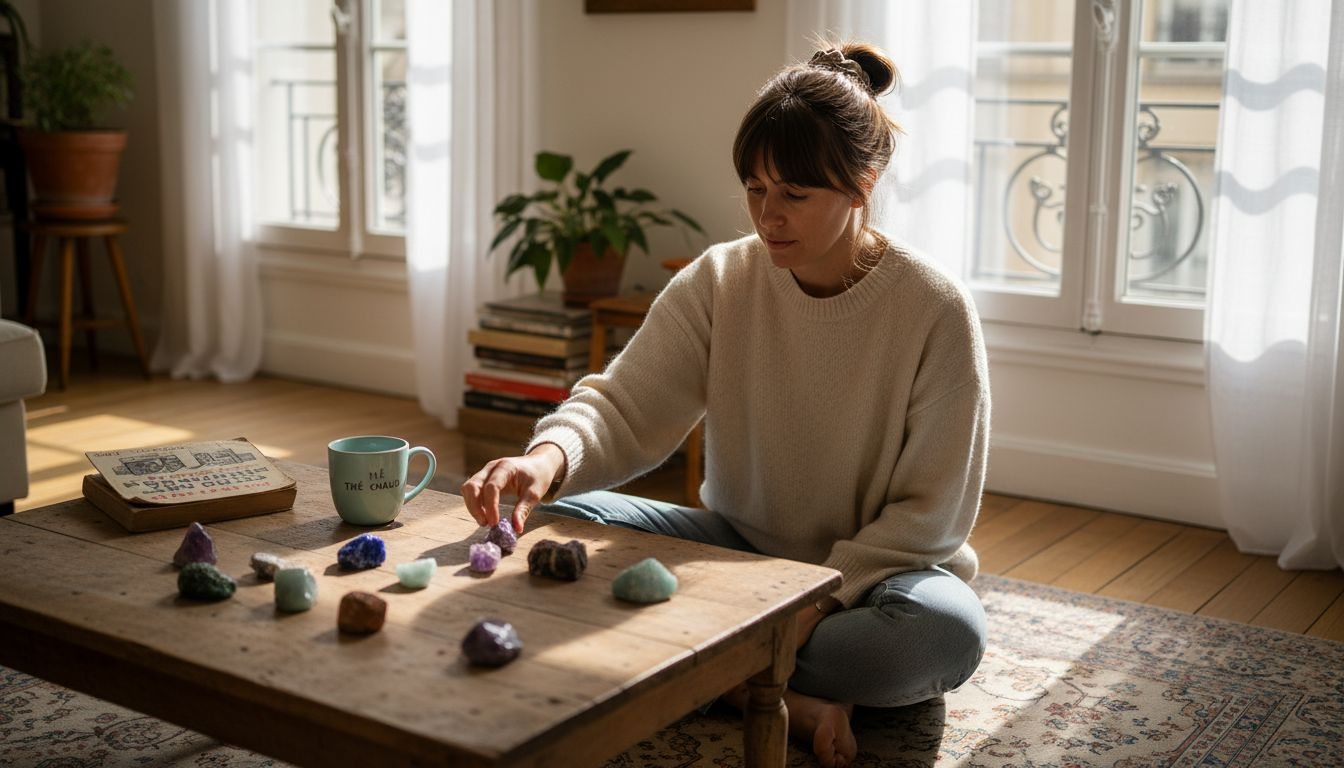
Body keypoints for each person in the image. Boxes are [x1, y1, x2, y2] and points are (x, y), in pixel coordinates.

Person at [463, 41, 989, 768]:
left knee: (940, 637)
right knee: (558, 526)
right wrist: (545, 459)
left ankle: (709, 665)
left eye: (795, 195)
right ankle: (767, 688)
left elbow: (932, 514)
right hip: (739, 550)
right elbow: (624, 406)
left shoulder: (934, 309)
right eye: (754, 188)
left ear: (862, 185)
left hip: (876, 580)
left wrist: (821, 604)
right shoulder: (721, 280)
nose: (768, 216)